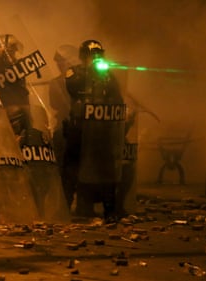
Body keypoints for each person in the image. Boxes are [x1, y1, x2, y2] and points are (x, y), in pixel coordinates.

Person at [62, 39, 125, 221]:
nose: (96, 58)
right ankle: (65, 208)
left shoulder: (108, 75)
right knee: (71, 169)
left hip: (101, 131)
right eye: (92, 55)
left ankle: (110, 211)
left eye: (98, 55)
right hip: (79, 129)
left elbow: (117, 98)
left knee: (106, 170)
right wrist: (91, 72)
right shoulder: (74, 71)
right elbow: (73, 87)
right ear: (83, 57)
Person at [48, 44, 79, 209]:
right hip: (65, 127)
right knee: (63, 167)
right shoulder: (57, 83)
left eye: (62, 60)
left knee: (71, 167)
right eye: (58, 61)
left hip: (78, 127)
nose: (60, 64)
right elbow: (55, 103)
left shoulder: (82, 80)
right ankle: (64, 203)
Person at [0, 34, 31, 136]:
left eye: (13, 51)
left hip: (24, 112)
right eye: (11, 51)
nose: (13, 54)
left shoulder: (20, 66)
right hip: (5, 115)